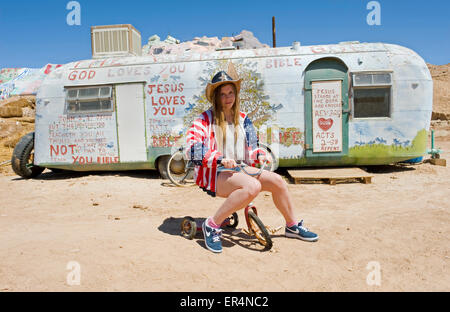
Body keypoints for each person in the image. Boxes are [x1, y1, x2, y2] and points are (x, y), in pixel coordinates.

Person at [186, 68, 319, 253]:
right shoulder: (204, 120)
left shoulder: (244, 119)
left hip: (240, 170)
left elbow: (253, 145)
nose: (227, 97)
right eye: (223, 94)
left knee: (278, 181)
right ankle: (212, 224)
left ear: (236, 94)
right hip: (214, 174)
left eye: (231, 92)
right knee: (252, 187)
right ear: (216, 97)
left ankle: (292, 226)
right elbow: (192, 149)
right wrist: (220, 159)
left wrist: (258, 154)